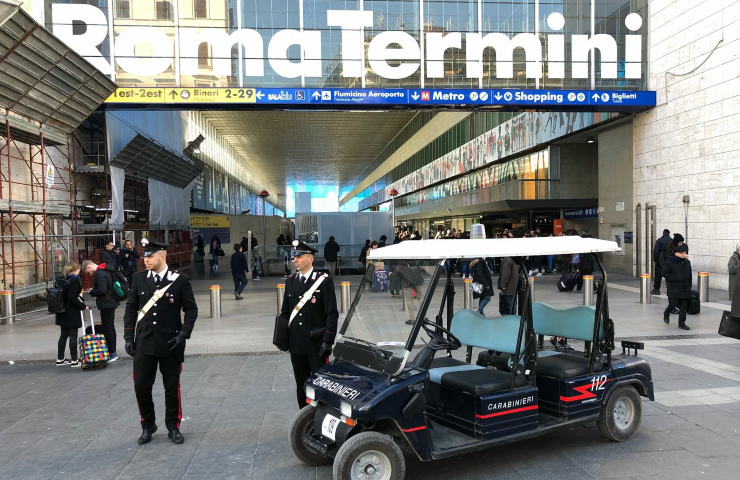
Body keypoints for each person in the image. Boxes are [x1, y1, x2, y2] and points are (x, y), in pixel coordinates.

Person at [123, 240, 198, 445]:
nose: (145, 260)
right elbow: (130, 308)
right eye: (144, 256)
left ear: (162, 256)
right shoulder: (139, 279)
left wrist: (184, 334)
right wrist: (129, 337)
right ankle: (148, 424)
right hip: (144, 342)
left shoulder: (180, 280)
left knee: (171, 387)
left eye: (150, 256)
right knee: (141, 386)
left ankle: (173, 426)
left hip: (170, 342)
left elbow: (191, 309)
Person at [279, 240, 338, 408]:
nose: (295, 260)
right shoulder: (290, 281)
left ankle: (322, 422)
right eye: (294, 257)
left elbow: (331, 313)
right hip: (296, 345)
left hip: (316, 345)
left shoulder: (323, 281)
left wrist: (328, 340)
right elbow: (285, 312)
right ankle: (305, 423)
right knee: (301, 387)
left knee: (321, 387)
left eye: (299, 256)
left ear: (310, 259)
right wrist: (282, 338)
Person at [82, 259, 120, 363]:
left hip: (106, 303)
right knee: (110, 327)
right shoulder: (105, 270)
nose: (90, 274)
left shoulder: (100, 273)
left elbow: (102, 290)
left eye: (88, 272)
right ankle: (113, 350)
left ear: (89, 267)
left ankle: (112, 352)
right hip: (111, 302)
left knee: (108, 328)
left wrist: (92, 291)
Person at [55, 261, 88, 367]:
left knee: (63, 335)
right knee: (73, 335)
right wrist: (83, 306)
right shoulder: (74, 281)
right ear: (75, 270)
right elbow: (72, 297)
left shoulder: (60, 279)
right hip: (72, 311)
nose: (79, 272)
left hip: (60, 309)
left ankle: (60, 359)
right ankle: (74, 360)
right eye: (78, 270)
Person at [662, 243, 692, 330]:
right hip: (674, 287)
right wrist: (675, 278)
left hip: (685, 287)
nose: (683, 254)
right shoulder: (670, 261)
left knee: (684, 306)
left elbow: (689, 275)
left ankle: (682, 323)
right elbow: (664, 273)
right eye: (681, 252)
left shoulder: (687, 262)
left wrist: (689, 286)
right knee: (673, 304)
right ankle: (666, 313)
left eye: (684, 252)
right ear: (676, 253)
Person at [652, 229, 671, 295]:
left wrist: (655, 260)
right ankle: (669, 289)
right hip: (669, 261)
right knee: (669, 275)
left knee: (658, 275)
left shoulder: (659, 241)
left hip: (660, 261)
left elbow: (656, 251)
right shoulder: (672, 241)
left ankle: (656, 289)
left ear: (663, 233)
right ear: (669, 233)